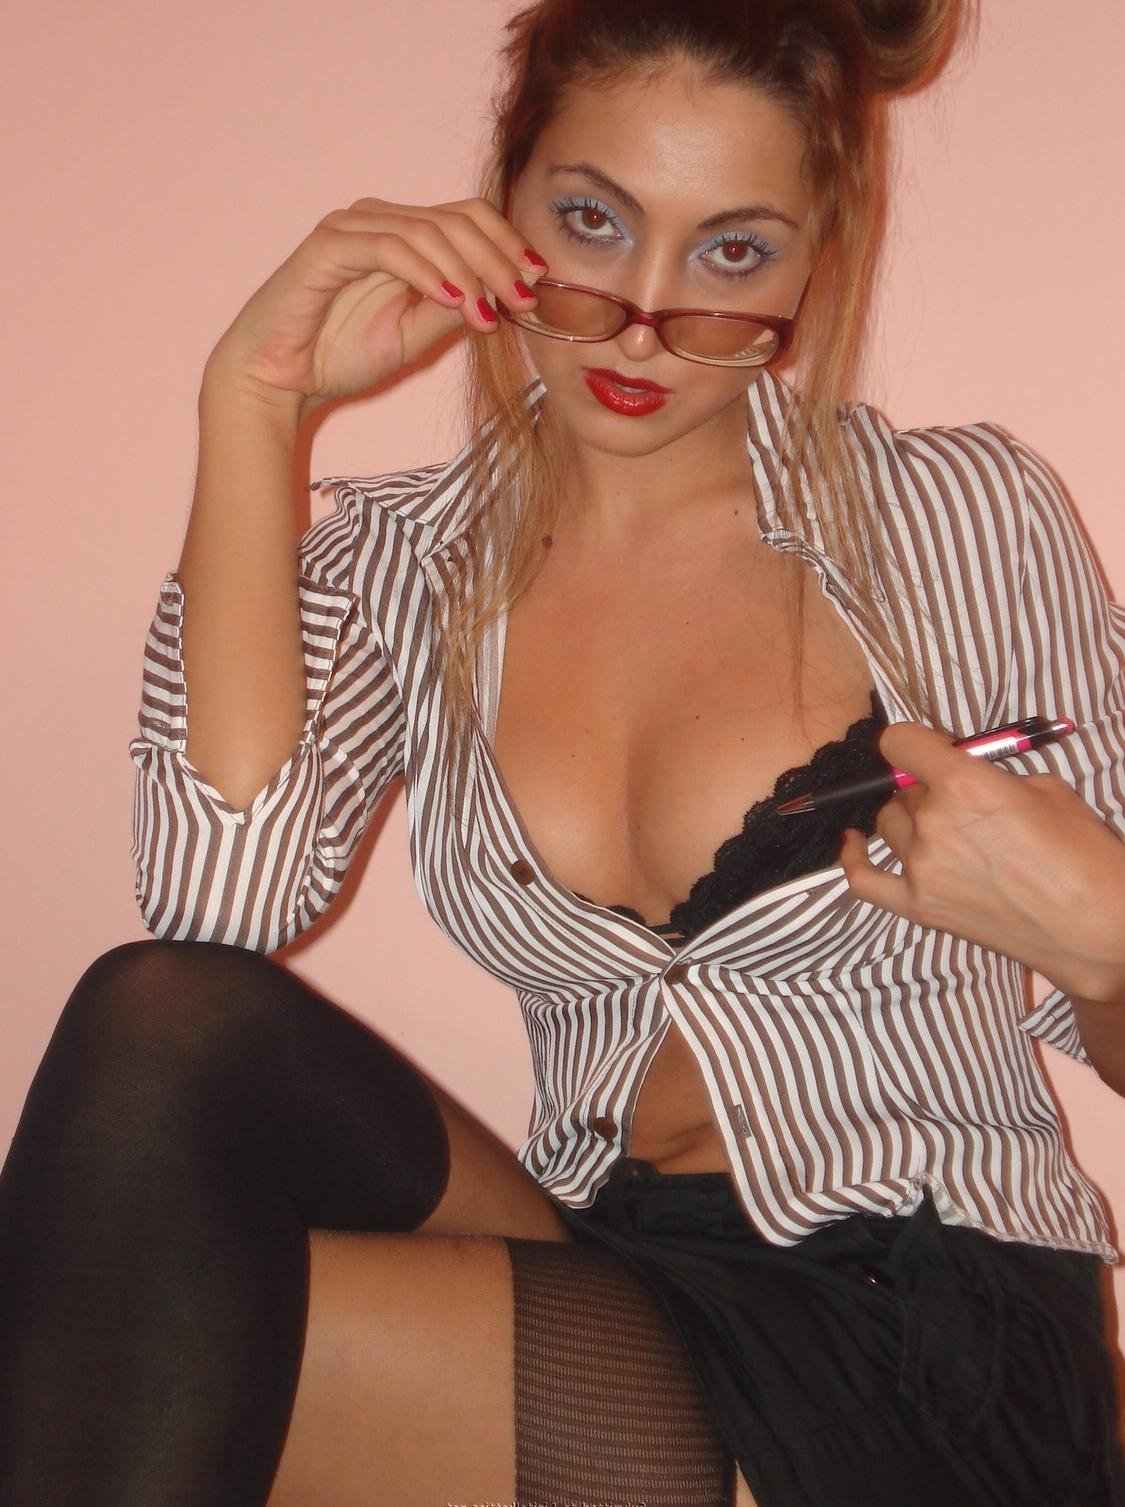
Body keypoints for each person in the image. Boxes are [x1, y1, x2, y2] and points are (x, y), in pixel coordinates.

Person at [2, 0, 1124, 1503]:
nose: (645, 321)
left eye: (733, 253)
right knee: (166, 1031)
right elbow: (222, 901)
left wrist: (1106, 943)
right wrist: (256, 403)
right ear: (504, 205)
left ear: (817, 258)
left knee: (124, 1329)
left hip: (922, 1308)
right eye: (594, 223)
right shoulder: (406, 564)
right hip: (612, 1257)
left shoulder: (957, 518)